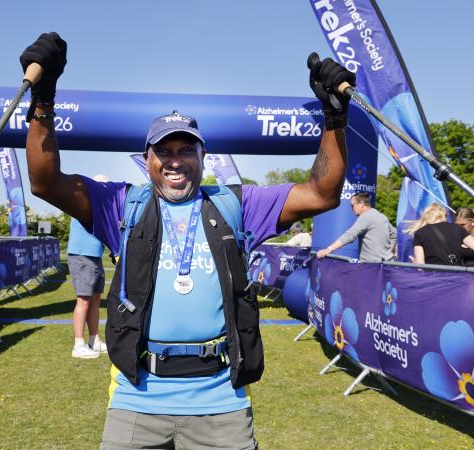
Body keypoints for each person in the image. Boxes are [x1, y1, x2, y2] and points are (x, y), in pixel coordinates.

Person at [20, 32, 354, 449]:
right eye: (164, 151)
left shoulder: (236, 203)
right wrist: (43, 101)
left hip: (221, 402)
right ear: (148, 160)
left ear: (202, 157)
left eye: (186, 150)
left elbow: (322, 193)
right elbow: (44, 182)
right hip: (137, 397)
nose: (175, 160)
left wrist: (334, 119)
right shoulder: (123, 204)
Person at [66, 175, 110, 359]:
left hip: (95, 256)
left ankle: (94, 340)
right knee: (83, 300)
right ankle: (79, 345)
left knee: (95, 300)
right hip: (81, 255)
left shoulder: (100, 205)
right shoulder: (82, 202)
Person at [315, 192, 396, 261]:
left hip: (372, 267)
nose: (351, 209)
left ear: (361, 204)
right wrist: (389, 250)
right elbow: (394, 233)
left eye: (352, 205)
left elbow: (349, 235)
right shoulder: (381, 216)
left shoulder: (366, 217)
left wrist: (328, 250)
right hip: (387, 262)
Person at [405, 203, 474, 266]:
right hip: (458, 278)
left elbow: (420, 266)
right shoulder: (458, 228)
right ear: (444, 215)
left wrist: (416, 263)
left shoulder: (420, 233)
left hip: (434, 279)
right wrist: (473, 268)